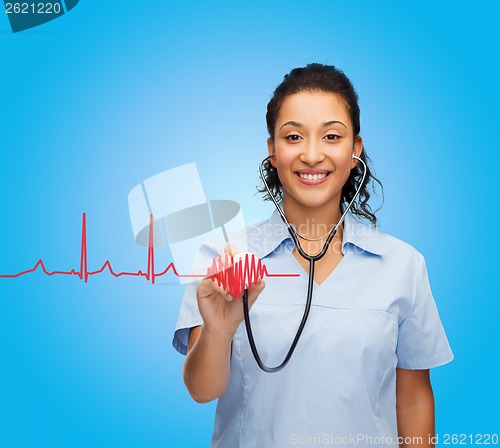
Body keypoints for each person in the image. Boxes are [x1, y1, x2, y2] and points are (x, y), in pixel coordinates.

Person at [173, 63, 453, 447]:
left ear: (355, 150)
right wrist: (219, 331)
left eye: (332, 136)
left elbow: (414, 398)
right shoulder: (225, 257)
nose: (311, 154)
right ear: (272, 151)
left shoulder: (404, 265)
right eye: (293, 137)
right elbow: (202, 390)